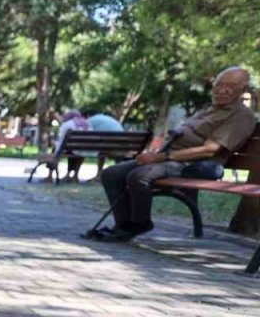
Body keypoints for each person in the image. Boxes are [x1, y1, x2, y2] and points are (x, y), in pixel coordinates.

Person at [88, 67, 256, 242]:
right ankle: (123, 225)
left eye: (230, 86)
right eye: (218, 85)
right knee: (112, 174)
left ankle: (139, 223)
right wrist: (156, 153)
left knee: (139, 176)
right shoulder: (209, 109)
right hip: (170, 158)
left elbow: (210, 149)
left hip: (198, 164)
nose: (221, 90)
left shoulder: (242, 116)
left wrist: (162, 157)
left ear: (243, 90)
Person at [52, 109, 91, 181]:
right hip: (84, 150)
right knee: (78, 151)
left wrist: (54, 143)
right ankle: (75, 175)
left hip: (68, 149)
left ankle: (49, 175)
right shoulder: (87, 124)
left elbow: (61, 139)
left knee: (56, 148)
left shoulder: (67, 124)